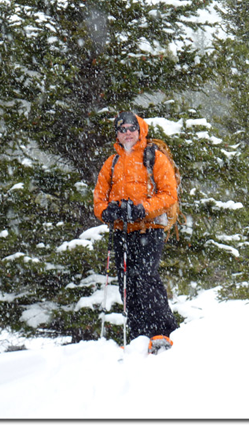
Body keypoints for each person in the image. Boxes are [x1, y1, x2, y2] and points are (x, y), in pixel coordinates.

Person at [94, 111, 179, 354]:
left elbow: (168, 194)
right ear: (117, 135)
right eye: (122, 129)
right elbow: (99, 200)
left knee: (146, 276)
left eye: (131, 128)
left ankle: (162, 331)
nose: (127, 132)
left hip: (149, 229)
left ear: (140, 129)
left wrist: (142, 209)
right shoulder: (111, 163)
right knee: (126, 283)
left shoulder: (155, 158)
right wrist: (107, 213)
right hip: (122, 231)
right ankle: (138, 335)